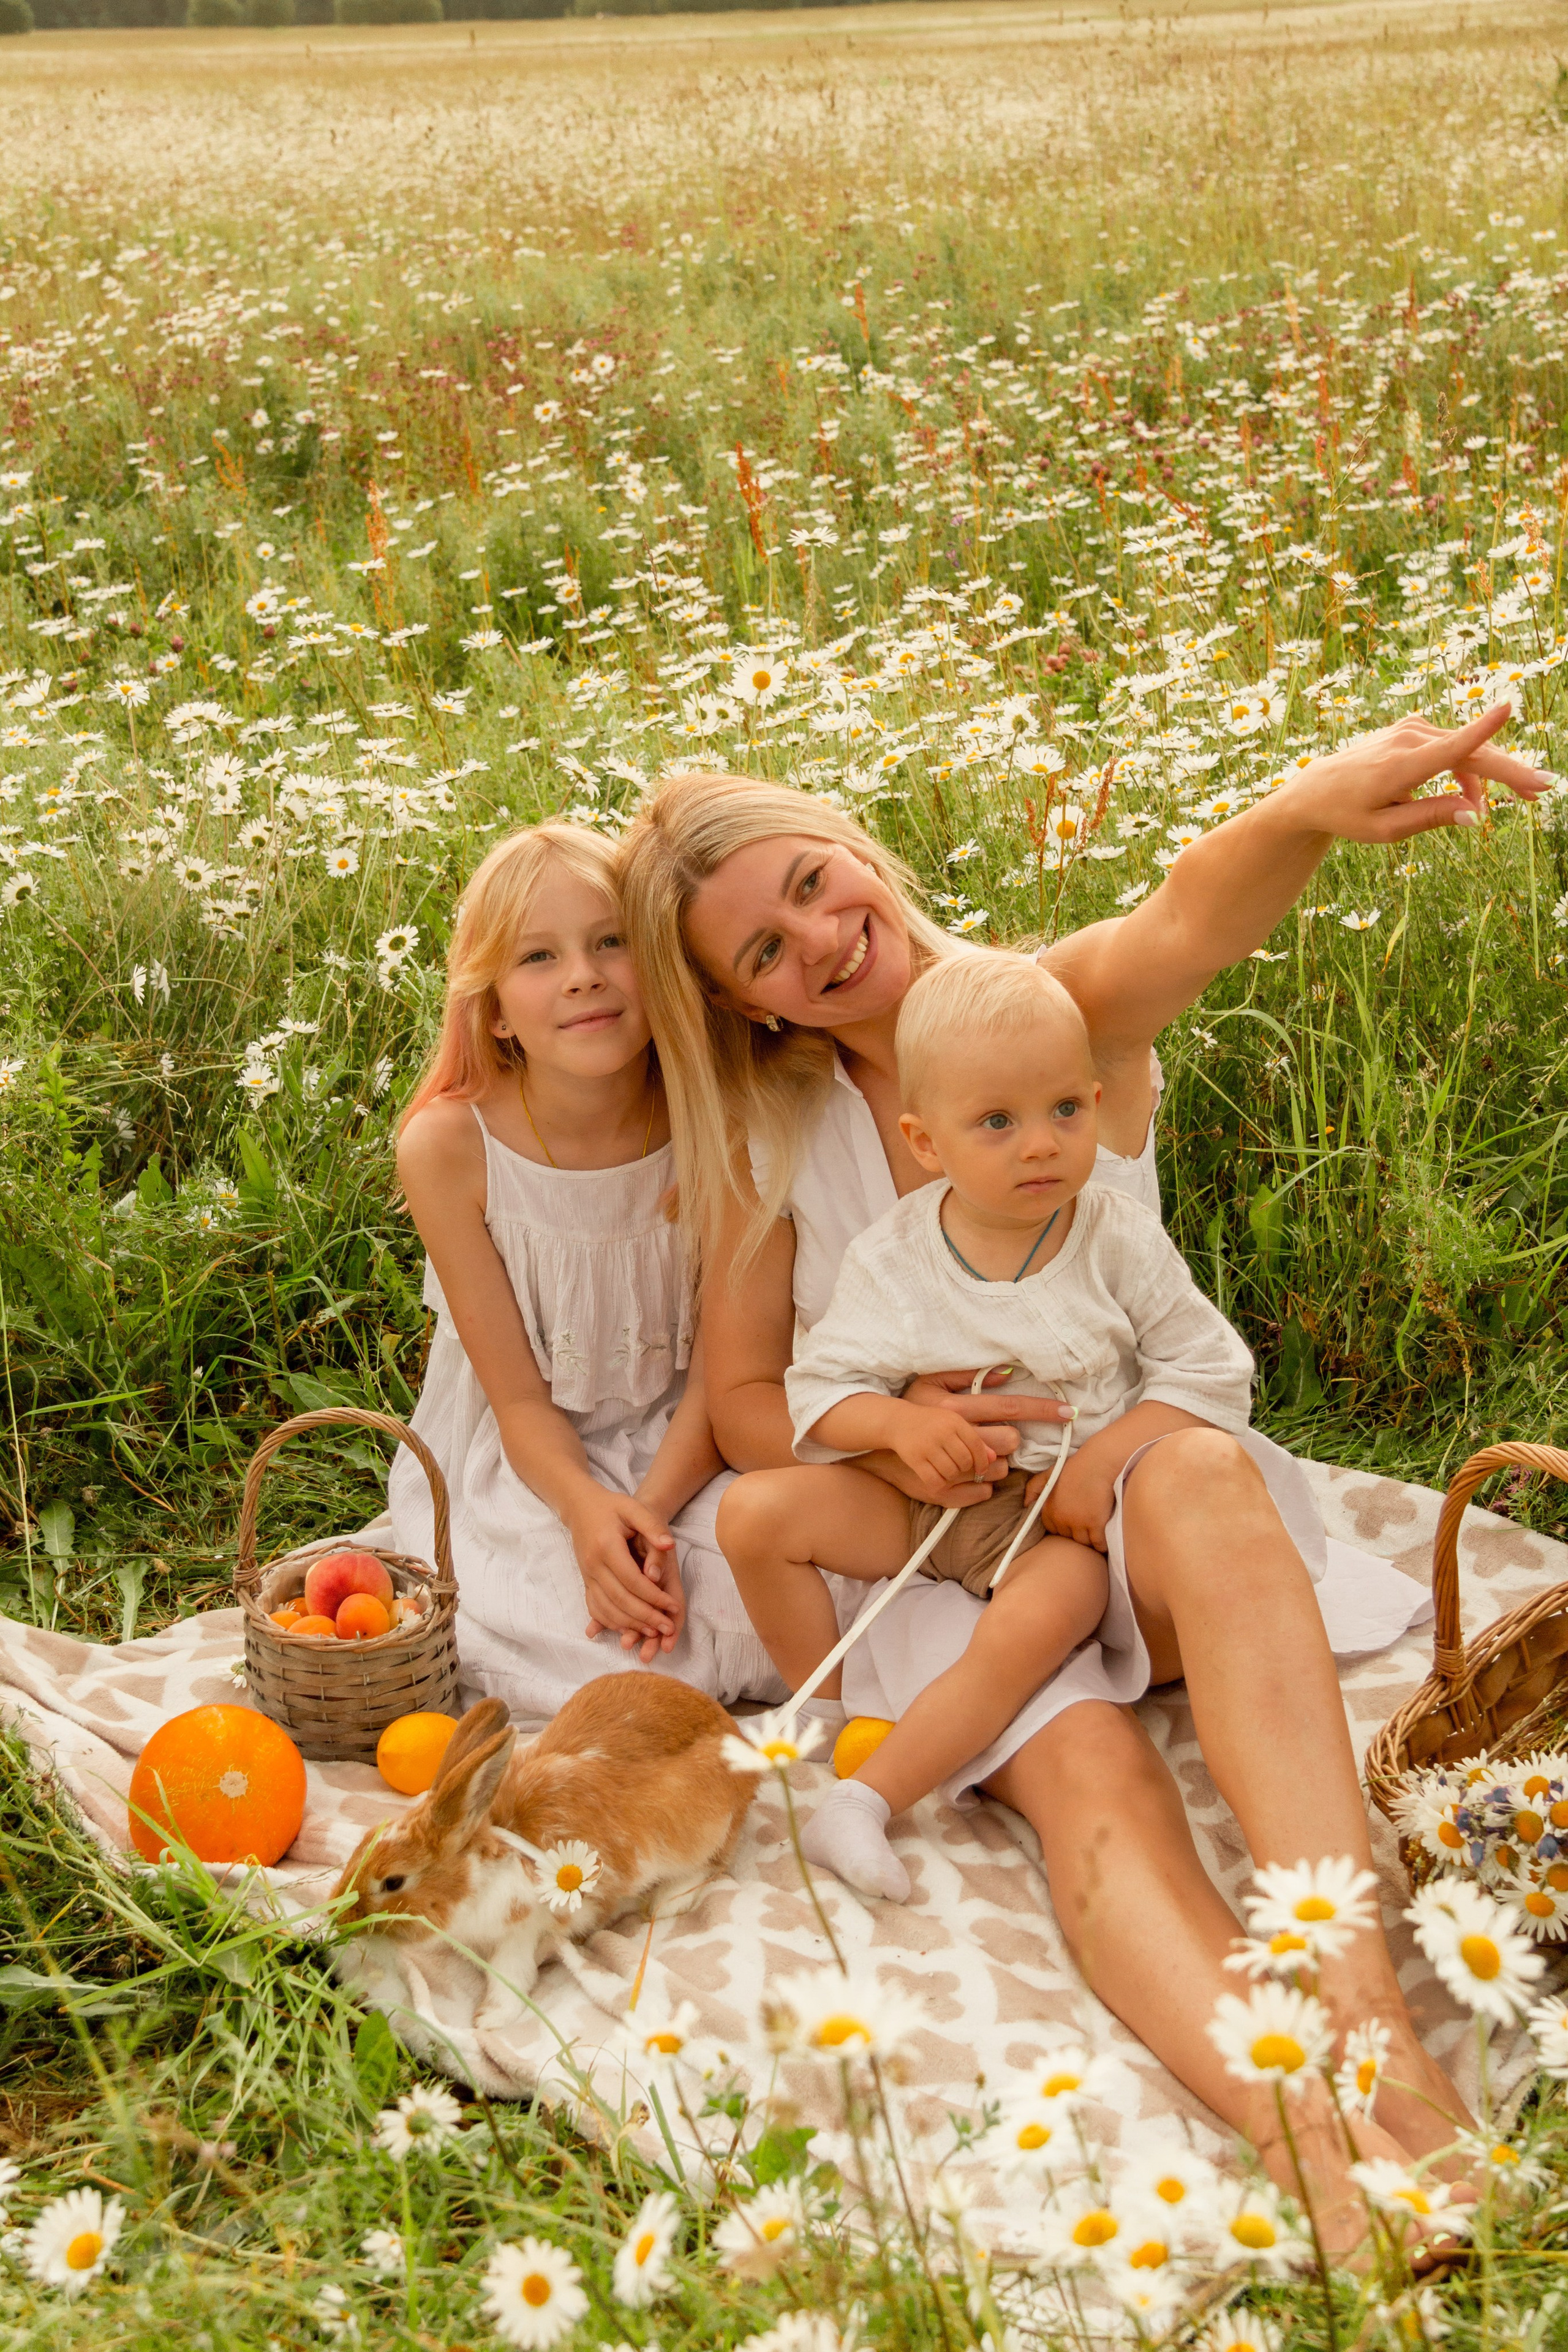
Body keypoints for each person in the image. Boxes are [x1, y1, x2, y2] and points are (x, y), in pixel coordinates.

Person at [616, 704, 1547, 2244]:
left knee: (1189, 1476)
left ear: (852, 849)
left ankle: (1369, 2019)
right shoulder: (777, 1138)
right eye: (762, 957)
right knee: (1087, 1774)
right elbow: (741, 1400)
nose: (817, 943)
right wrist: (907, 1431)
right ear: (750, 1012)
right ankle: (1314, 2155)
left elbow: (1184, 916)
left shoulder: (1041, 1009)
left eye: (807, 884)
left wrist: (1309, 804)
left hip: (1145, 1506)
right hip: (957, 1543)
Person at [739, 951, 1291, 1907]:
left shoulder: (1112, 1236)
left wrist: (1106, 1461)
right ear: (926, 1142)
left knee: (1040, 1621)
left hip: (1057, 1520)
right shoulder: (897, 1257)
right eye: (997, 1122)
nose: (1040, 1145)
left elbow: (1210, 1373)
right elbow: (819, 1390)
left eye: (1064, 1112)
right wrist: (902, 1433)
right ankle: (823, 1719)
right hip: (933, 1499)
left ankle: (869, 1799)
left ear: (1091, 1098)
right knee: (755, 1516)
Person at [387, 822, 782, 1727]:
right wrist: (588, 1517)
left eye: (612, 942)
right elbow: (520, 1406)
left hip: (693, 1441)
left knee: (800, 1587)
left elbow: (725, 1378)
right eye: (538, 957)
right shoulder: (452, 1149)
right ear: (492, 1008)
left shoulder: (715, 1116)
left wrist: (642, 1515)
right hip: (531, 1464)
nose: (583, 975)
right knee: (573, 1644)